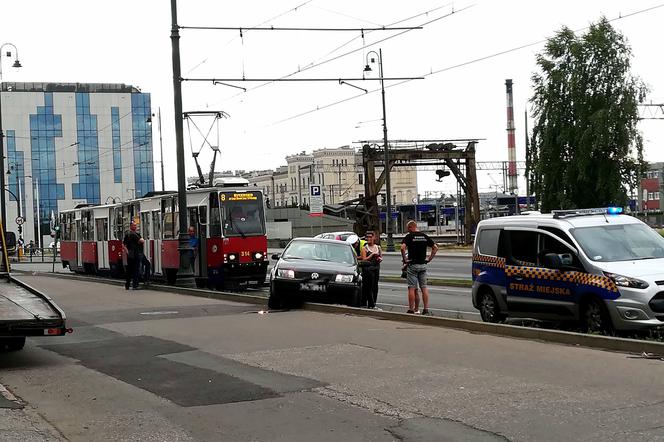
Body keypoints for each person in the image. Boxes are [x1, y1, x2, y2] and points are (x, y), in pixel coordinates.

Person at [401, 220, 438, 315]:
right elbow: (435, 247)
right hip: (423, 265)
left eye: (407, 228)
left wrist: (405, 259)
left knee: (412, 288)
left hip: (413, 265)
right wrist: (429, 259)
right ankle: (425, 309)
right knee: (424, 288)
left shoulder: (409, 236)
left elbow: (402, 248)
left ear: (410, 227)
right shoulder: (424, 236)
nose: (407, 230)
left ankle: (411, 309)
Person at [360, 231, 382, 309]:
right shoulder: (364, 248)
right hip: (368, 270)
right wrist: (372, 255)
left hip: (376, 268)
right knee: (368, 287)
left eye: (370, 237)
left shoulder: (378, 247)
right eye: (367, 237)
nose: (368, 238)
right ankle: (370, 304)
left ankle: (374, 302)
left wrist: (379, 258)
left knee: (375, 287)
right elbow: (364, 260)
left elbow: (380, 257)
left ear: (374, 238)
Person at [123, 222, 141, 290]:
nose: (135, 227)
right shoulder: (135, 234)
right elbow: (141, 241)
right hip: (135, 254)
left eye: (136, 225)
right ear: (131, 227)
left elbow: (124, 244)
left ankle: (127, 285)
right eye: (134, 226)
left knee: (129, 270)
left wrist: (127, 251)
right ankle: (135, 285)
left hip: (130, 254)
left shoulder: (127, 234)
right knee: (135, 269)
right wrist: (127, 251)